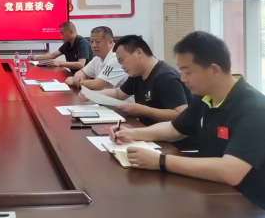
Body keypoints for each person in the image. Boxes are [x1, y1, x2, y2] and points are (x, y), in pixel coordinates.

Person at [109, 32, 265, 210]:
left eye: (187, 71)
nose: (182, 78)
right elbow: (174, 129)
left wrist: (161, 161)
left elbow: (231, 171)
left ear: (214, 70)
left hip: (247, 205)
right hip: (211, 192)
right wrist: (132, 133)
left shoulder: (255, 109)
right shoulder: (205, 97)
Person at [79, 35, 192, 126]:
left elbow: (180, 114)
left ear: (139, 53)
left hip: (173, 142)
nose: (122, 67)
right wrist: (92, 95)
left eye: (122, 60)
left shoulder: (165, 77)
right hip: (148, 131)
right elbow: (118, 93)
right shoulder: (137, 74)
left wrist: (142, 110)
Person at [28, 21, 92, 74]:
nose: (61, 36)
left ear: (71, 32)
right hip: (74, 75)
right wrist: (35, 58)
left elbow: (80, 64)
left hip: (86, 78)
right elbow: (53, 55)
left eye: (62, 33)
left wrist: (59, 63)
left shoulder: (82, 43)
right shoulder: (67, 43)